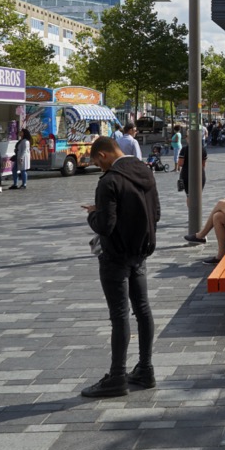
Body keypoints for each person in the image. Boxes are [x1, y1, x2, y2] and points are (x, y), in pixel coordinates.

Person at [81, 137, 160, 398]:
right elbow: (155, 213)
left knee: (119, 315)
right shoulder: (145, 171)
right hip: (140, 252)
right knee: (143, 309)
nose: (98, 167)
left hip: (114, 256)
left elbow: (105, 225)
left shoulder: (109, 181)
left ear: (103, 155)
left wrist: (93, 213)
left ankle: (117, 377)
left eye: (96, 162)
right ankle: (145, 369)